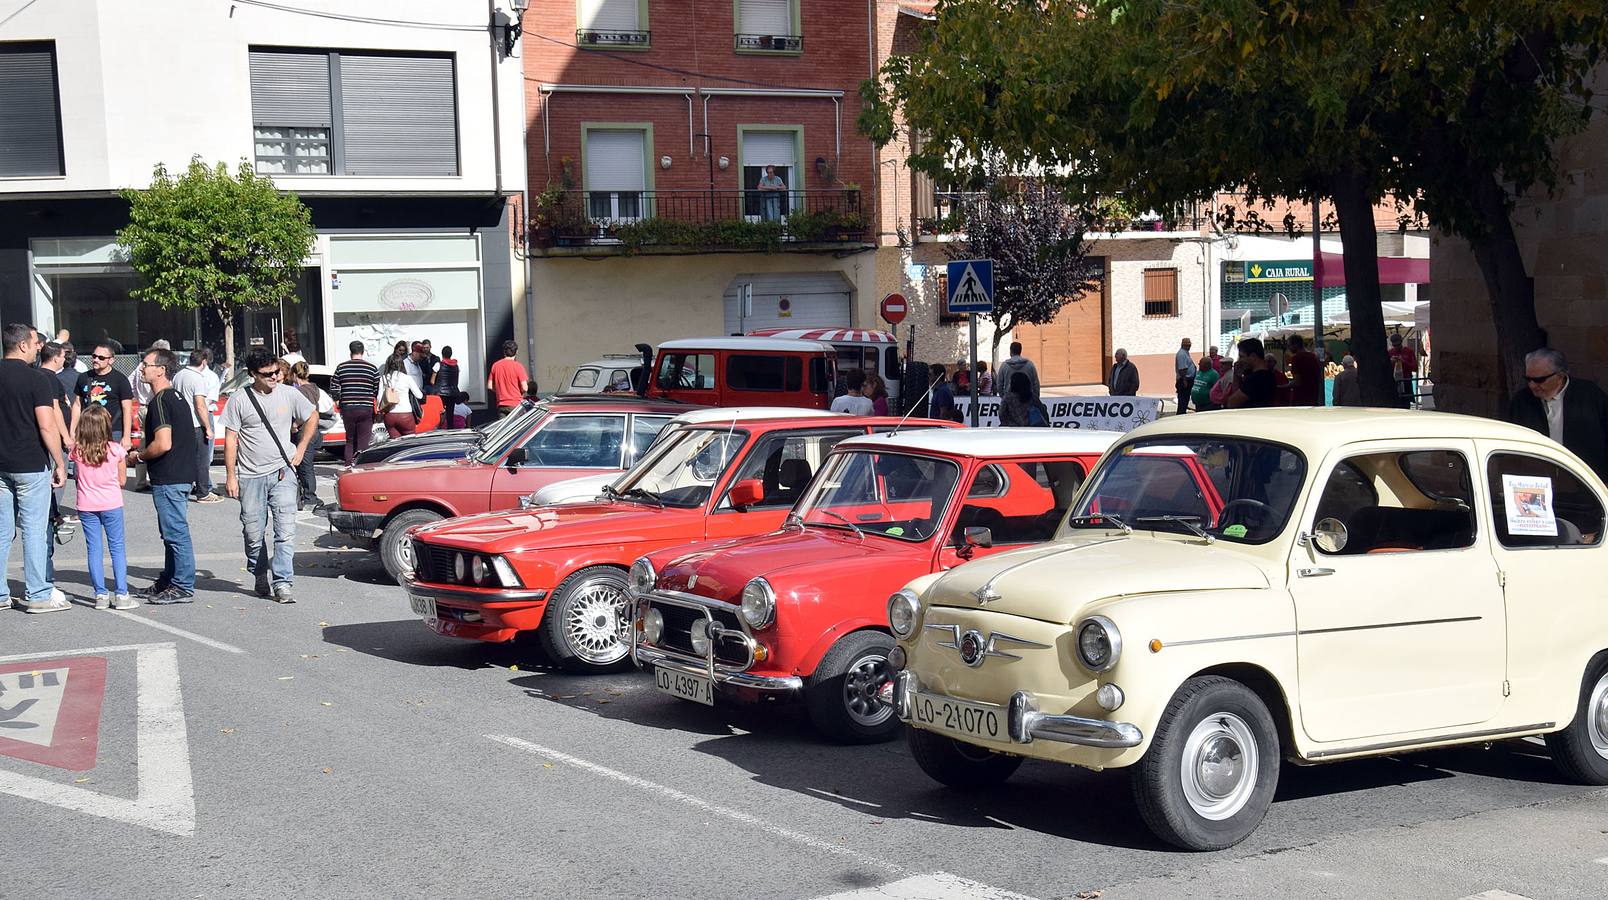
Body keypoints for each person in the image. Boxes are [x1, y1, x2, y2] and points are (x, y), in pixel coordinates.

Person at [221, 348, 317, 604]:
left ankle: (283, 582)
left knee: (285, 532)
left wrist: (301, 448)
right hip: (251, 477)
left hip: (283, 472)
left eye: (277, 372)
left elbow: (312, 416)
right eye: (268, 374)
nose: (275, 377)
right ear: (253, 374)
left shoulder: (289, 394)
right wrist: (231, 476)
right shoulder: (240, 399)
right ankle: (259, 571)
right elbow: (231, 439)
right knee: (253, 534)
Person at [3, 323, 69, 612]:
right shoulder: (36, 380)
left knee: (2, 530)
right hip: (30, 463)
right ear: (22, 345)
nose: (37, 348)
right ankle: (38, 593)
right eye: (34, 343)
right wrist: (59, 461)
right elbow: (46, 424)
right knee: (33, 529)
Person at [129, 347, 198, 605]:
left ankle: (182, 585)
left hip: (170, 477)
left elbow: (163, 443)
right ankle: (168, 580)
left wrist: (139, 456)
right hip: (178, 475)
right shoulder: (176, 397)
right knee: (171, 532)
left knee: (175, 533)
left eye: (145, 364)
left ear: (161, 369)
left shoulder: (160, 400)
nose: (142, 369)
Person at [1507, 347, 1608, 483]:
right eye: (1528, 379)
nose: (1532, 385)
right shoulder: (1521, 401)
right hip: (1536, 481)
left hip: (1584, 482)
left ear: (1560, 376)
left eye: (1539, 380)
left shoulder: (1590, 396)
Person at [71, 405, 134, 610]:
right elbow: (122, 480)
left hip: (87, 503)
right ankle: (122, 593)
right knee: (117, 548)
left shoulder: (78, 451)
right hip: (111, 502)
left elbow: (78, 477)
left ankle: (100, 594)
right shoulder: (116, 450)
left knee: (94, 549)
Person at [172, 349, 222, 503]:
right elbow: (200, 405)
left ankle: (183, 488)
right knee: (202, 459)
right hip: (195, 423)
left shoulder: (178, 376)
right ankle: (203, 492)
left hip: (180, 423)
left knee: (184, 458)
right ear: (204, 362)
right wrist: (207, 427)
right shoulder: (198, 378)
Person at [289, 361, 335, 510]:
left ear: (295, 375)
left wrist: (295, 425)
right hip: (315, 431)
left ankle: (310, 497)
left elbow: (305, 413)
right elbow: (325, 407)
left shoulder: (300, 391)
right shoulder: (315, 388)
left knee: (305, 465)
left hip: (304, 431)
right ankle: (308, 495)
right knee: (306, 464)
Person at [73, 340, 134, 449]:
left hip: (112, 430)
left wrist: (126, 436)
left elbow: (127, 409)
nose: (96, 360)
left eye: (101, 358)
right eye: (94, 356)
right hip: (88, 429)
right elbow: (77, 405)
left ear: (111, 360)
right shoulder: (83, 377)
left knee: (112, 464)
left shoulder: (120, 380)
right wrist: (73, 431)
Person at [333, 340, 380, 465]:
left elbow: (334, 386)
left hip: (348, 407)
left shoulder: (341, 367)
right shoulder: (372, 368)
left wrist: (338, 400)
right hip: (366, 407)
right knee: (363, 441)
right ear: (363, 352)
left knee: (350, 440)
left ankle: (348, 465)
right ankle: (361, 465)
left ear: (350, 352)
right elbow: (377, 389)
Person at [380, 354, 423, 438]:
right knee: (409, 443)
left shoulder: (383, 378)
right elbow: (419, 396)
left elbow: (379, 399)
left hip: (389, 415)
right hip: (405, 414)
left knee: (395, 445)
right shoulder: (407, 378)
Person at [1226, 338, 1276, 408]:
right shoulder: (1268, 375)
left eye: (1242, 356)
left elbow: (1232, 403)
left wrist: (1236, 377)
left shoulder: (1257, 378)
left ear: (1253, 356)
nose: (1239, 360)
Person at [488, 340, 531, 417]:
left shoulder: (495, 365)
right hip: (516, 405)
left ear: (504, 352)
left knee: (504, 428)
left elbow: (490, 386)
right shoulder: (518, 366)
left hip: (501, 404)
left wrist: (500, 391)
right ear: (516, 352)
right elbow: (525, 388)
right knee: (517, 428)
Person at [1287, 335, 1324, 406]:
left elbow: (1297, 382)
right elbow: (1319, 378)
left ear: (1296, 345)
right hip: (1313, 398)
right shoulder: (1313, 357)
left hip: (1300, 399)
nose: (1289, 348)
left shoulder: (1296, 358)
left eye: (1289, 345)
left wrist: (1282, 386)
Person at [1389, 332, 1418, 407]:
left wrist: (1404, 362)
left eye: (1398, 345)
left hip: (1406, 381)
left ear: (1401, 342)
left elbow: (1415, 368)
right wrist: (1390, 363)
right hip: (1394, 382)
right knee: (1395, 403)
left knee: (1406, 403)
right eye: (1394, 345)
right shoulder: (1390, 352)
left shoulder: (1409, 352)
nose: (1396, 347)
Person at [434, 345, 461, 415]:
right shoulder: (456, 366)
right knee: (450, 413)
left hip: (440, 393)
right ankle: (450, 426)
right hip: (452, 393)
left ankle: (441, 426)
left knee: (439, 412)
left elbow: (432, 381)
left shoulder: (438, 365)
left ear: (442, 354)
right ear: (451, 354)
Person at [1174, 337, 1197, 415]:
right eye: (1187, 345)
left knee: (1185, 400)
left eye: (1189, 344)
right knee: (1183, 401)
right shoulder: (1181, 354)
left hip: (1187, 379)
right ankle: (1180, 415)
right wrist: (1184, 380)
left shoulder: (1185, 352)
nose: (1189, 346)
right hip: (1184, 380)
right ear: (1182, 345)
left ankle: (1182, 413)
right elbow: (1182, 369)